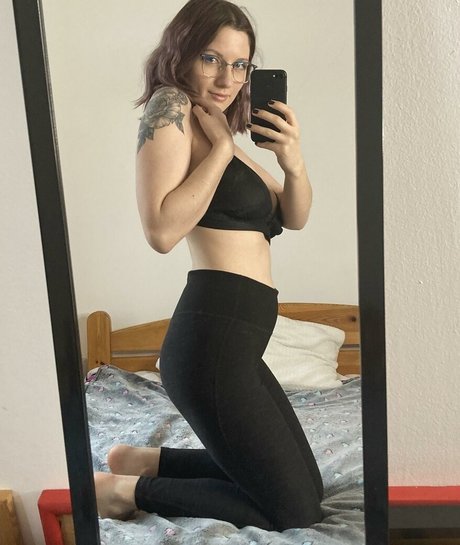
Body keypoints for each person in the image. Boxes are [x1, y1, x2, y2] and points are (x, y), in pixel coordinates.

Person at [94, 0, 323, 531]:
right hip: (212, 343)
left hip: (236, 344)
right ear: (182, 52)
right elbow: (161, 230)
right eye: (211, 58)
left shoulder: (214, 127)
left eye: (240, 65)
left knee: (308, 486)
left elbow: (294, 216)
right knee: (295, 511)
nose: (227, 78)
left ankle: (143, 462)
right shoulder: (170, 106)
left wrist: (292, 160)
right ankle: (122, 490)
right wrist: (220, 149)